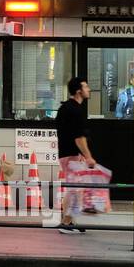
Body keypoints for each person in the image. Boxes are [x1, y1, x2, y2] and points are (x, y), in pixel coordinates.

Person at [56, 76, 96, 234]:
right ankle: (66, 223)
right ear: (79, 91)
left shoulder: (65, 107)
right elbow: (79, 138)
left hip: (65, 153)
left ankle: (70, 220)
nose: (89, 89)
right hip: (72, 155)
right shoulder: (76, 110)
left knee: (73, 187)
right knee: (75, 188)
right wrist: (88, 157)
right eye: (86, 87)